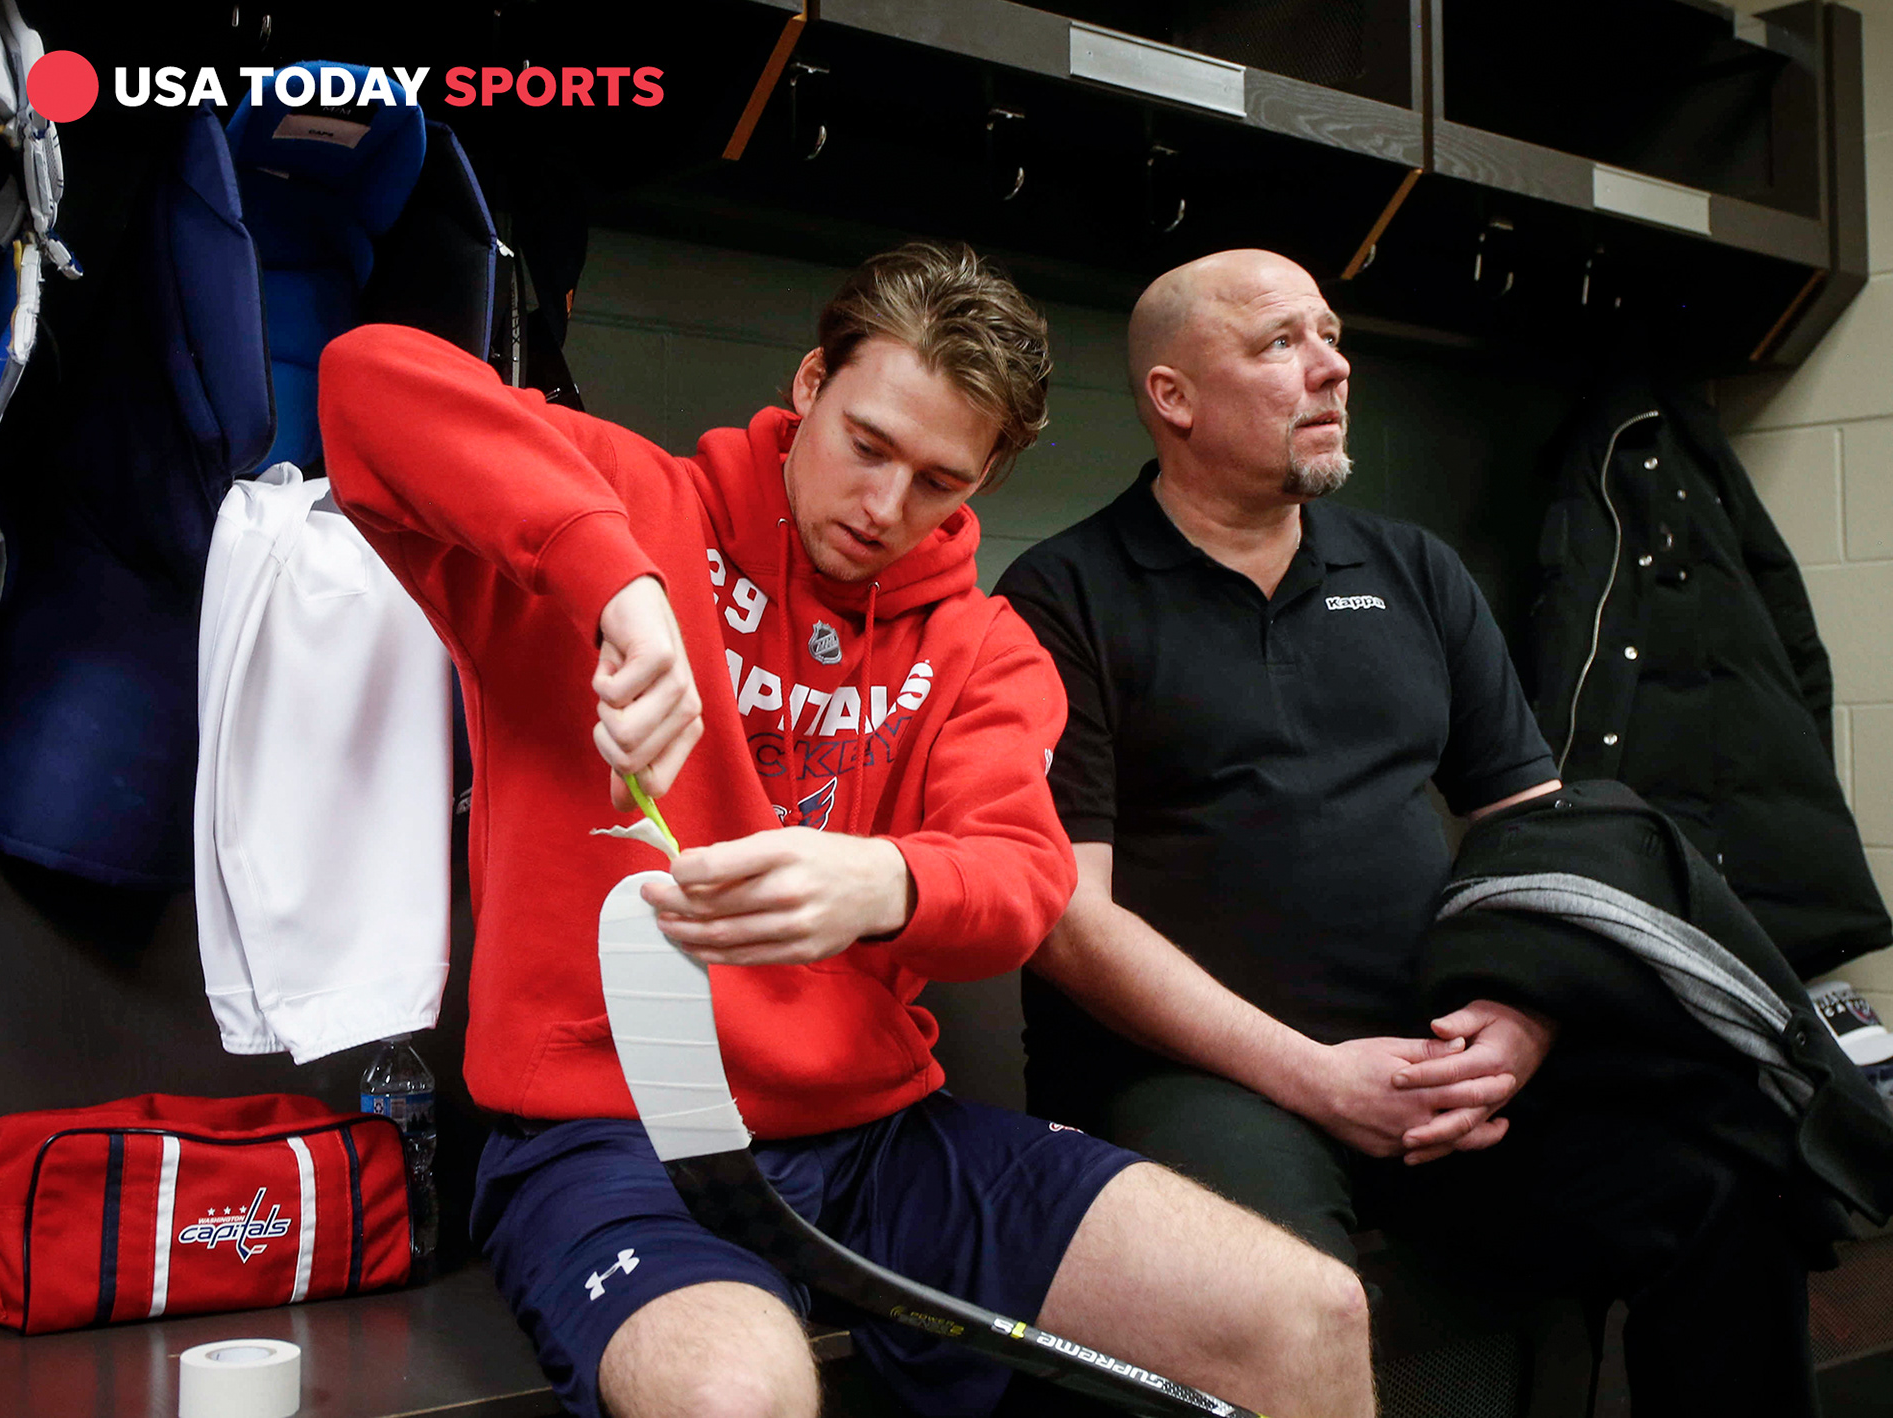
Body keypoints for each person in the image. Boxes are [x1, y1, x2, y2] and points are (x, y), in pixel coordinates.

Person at [317, 243, 1372, 1418]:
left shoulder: (986, 646)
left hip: (879, 1139)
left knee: (1310, 1315)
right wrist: (617, 586)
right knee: (733, 1394)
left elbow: (1026, 876)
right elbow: (369, 377)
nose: (884, 508)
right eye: (867, 444)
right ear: (812, 381)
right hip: (612, 1136)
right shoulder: (631, 498)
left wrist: (885, 882)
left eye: (939, 482)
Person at [995, 248, 1822, 1416]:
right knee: (1277, 1297)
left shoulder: (1412, 570)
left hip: (1433, 1058)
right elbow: (1066, 918)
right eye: (1280, 342)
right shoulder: (1062, 593)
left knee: (1723, 1183)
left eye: (1330, 335)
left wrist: (1523, 1019)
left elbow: (1538, 831)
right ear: (1171, 396)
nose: (1332, 367)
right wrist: (1317, 1077)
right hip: (1200, 1079)